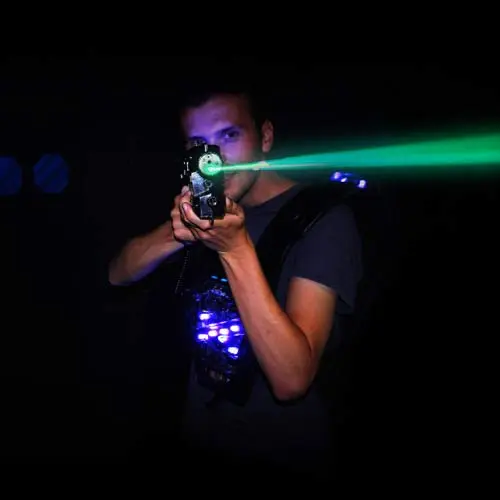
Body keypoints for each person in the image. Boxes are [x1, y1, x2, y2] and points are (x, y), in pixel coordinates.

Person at [108, 79, 362, 477]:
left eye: (229, 135)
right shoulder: (206, 211)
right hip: (199, 434)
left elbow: (292, 380)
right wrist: (178, 232)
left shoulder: (322, 220)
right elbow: (118, 273)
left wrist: (234, 248)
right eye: (198, 144)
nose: (214, 159)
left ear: (265, 137)